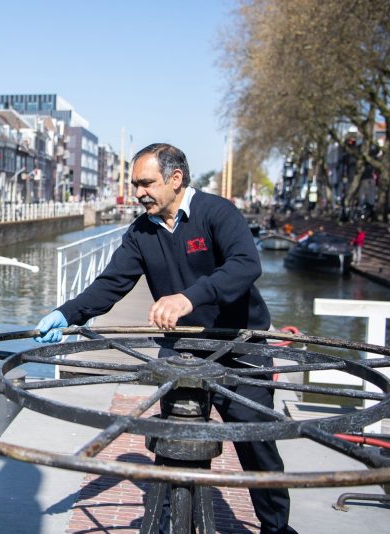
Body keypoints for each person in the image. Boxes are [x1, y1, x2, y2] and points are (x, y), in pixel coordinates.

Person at [35, 143, 297, 534]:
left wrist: (188, 297)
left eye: (146, 183)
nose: (138, 192)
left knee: (257, 445)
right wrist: (67, 313)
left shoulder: (217, 213)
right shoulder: (141, 232)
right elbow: (111, 285)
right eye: (135, 183)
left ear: (175, 179)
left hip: (238, 347)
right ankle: (172, 520)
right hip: (184, 350)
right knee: (173, 440)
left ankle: (276, 529)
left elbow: (245, 265)